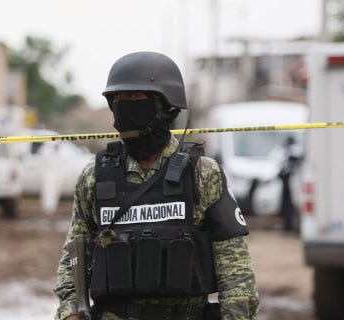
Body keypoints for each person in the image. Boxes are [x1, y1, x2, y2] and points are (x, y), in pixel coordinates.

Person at [53, 51, 259, 320]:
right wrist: (70, 311)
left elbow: (234, 266)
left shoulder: (203, 173)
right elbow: (75, 256)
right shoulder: (95, 175)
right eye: (118, 99)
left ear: (166, 106)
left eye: (135, 98)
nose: (124, 107)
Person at [277, 135, 303, 232]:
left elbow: (298, 160)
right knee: (286, 204)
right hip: (286, 180)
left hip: (294, 180)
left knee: (293, 204)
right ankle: (287, 225)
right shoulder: (283, 152)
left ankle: (291, 225)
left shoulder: (296, 151)